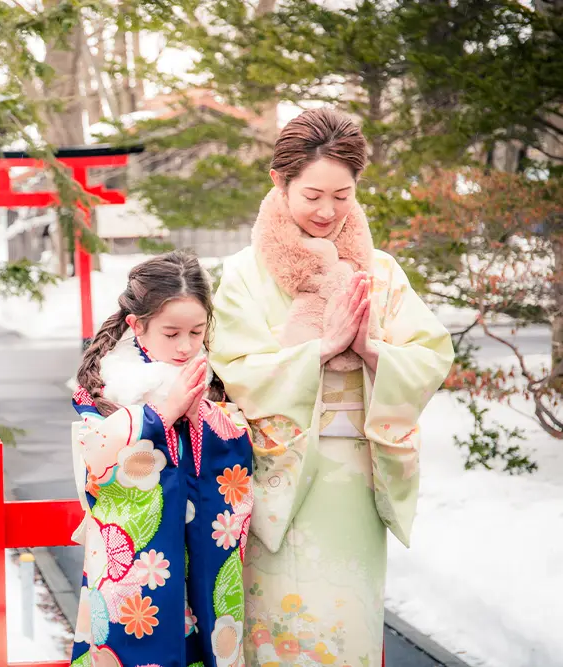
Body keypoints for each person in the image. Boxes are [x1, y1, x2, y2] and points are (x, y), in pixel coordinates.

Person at [208, 108, 454, 667]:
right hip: (279, 480)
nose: (328, 211)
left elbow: (432, 354)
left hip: (354, 481)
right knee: (279, 630)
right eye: (313, 195)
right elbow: (233, 369)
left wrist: (370, 349)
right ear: (280, 182)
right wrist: (320, 349)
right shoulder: (244, 273)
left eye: (342, 196)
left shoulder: (382, 271)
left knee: (348, 629)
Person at [68, 250, 254, 667]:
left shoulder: (218, 384)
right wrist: (158, 418)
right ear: (137, 326)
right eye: (172, 334)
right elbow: (97, 476)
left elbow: (238, 461)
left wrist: (203, 417)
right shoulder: (105, 392)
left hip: (202, 557)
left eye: (197, 331)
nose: (187, 347)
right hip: (137, 575)